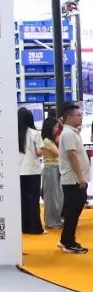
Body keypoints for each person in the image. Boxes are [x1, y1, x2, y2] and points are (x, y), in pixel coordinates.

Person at [57, 103, 88, 254]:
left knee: (73, 211)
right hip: (73, 179)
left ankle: (66, 240)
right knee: (72, 212)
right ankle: (68, 242)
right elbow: (72, 155)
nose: (81, 117)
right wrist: (81, 177)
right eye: (78, 115)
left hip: (74, 179)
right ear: (68, 117)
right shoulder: (68, 133)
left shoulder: (71, 132)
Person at [18, 107, 44, 235]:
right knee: (33, 200)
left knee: (22, 200)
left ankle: (23, 227)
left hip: (18, 171)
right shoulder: (35, 133)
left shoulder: (12, 134)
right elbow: (39, 152)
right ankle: (35, 228)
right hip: (33, 171)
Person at [41, 114, 63, 230]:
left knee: (58, 196)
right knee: (51, 198)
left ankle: (55, 219)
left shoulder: (52, 140)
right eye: (55, 127)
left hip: (56, 169)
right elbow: (59, 153)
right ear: (50, 127)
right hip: (50, 169)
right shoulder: (46, 141)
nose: (57, 129)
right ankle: (51, 222)